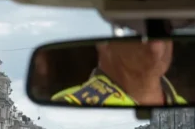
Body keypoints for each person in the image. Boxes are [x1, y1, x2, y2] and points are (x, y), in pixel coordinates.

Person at [49, 39, 186, 107]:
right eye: (135, 26)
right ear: (103, 41)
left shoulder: (183, 105)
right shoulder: (69, 104)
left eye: (166, 25)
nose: (156, 46)